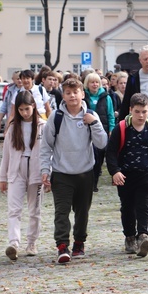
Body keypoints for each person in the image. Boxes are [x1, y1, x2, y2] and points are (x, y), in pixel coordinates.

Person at [40, 77, 108, 264]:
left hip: (85, 172)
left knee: (82, 212)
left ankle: (79, 241)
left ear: (82, 94)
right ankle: (62, 245)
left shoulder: (90, 115)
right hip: (62, 173)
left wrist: (94, 123)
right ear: (63, 95)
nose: (72, 96)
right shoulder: (56, 117)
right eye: (68, 93)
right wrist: (45, 170)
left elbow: (102, 143)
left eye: (75, 92)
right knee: (61, 212)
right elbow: (46, 146)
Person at [107, 93, 148, 258]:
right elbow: (111, 152)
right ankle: (129, 236)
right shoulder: (121, 128)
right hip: (125, 176)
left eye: (144, 111)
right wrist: (115, 171)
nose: (141, 115)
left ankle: (143, 236)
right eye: (137, 112)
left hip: (147, 174)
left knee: (145, 206)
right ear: (130, 111)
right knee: (128, 208)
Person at [0, 90, 45, 260]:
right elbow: (6, 154)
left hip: (36, 171)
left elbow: (48, 152)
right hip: (16, 171)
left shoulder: (43, 126)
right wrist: (2, 178)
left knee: (35, 210)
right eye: (21, 110)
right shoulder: (13, 128)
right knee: (14, 209)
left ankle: (32, 242)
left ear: (33, 106)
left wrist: (48, 175)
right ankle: (13, 243)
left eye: (27, 109)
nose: (25, 113)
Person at [84, 72, 115, 192]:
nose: (95, 84)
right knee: (89, 157)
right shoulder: (84, 96)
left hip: (102, 130)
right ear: (87, 84)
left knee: (99, 159)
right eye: (92, 82)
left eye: (97, 82)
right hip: (86, 131)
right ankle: (88, 182)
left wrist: (111, 129)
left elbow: (110, 115)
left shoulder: (106, 97)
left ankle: (94, 182)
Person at [119, 45, 148, 118]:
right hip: (139, 115)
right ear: (140, 60)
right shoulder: (133, 78)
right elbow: (127, 100)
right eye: (145, 59)